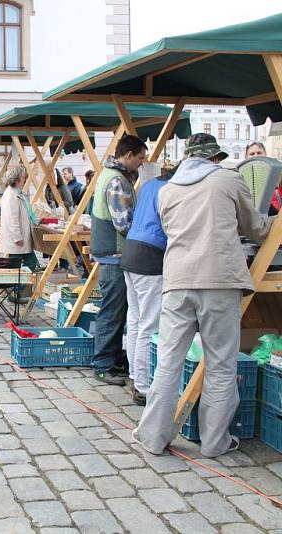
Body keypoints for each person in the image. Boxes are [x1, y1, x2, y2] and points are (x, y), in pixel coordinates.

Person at [134, 133, 274, 458]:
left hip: (177, 281)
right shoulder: (227, 178)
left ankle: (153, 436)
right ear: (214, 158)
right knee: (221, 365)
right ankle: (214, 443)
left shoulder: (166, 190)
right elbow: (255, 228)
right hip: (219, 280)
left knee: (168, 362)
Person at [90, 134, 147, 385]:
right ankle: (102, 363)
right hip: (114, 253)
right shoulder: (117, 180)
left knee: (118, 310)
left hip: (112, 252)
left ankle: (112, 357)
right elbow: (124, 222)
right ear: (129, 155)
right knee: (112, 312)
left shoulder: (110, 175)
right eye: (141, 159)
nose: (142, 164)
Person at [119, 164, 175, 405]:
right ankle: (142, 386)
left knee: (135, 319)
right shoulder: (170, 189)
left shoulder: (151, 184)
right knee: (149, 324)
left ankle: (134, 375)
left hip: (131, 251)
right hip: (150, 256)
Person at [0, 165, 39, 272]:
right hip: (17, 239)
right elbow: (12, 219)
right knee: (26, 264)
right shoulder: (11, 195)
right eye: (23, 177)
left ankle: (14, 287)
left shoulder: (16, 193)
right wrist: (17, 237)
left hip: (20, 238)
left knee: (19, 265)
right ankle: (15, 288)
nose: (24, 179)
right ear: (17, 179)